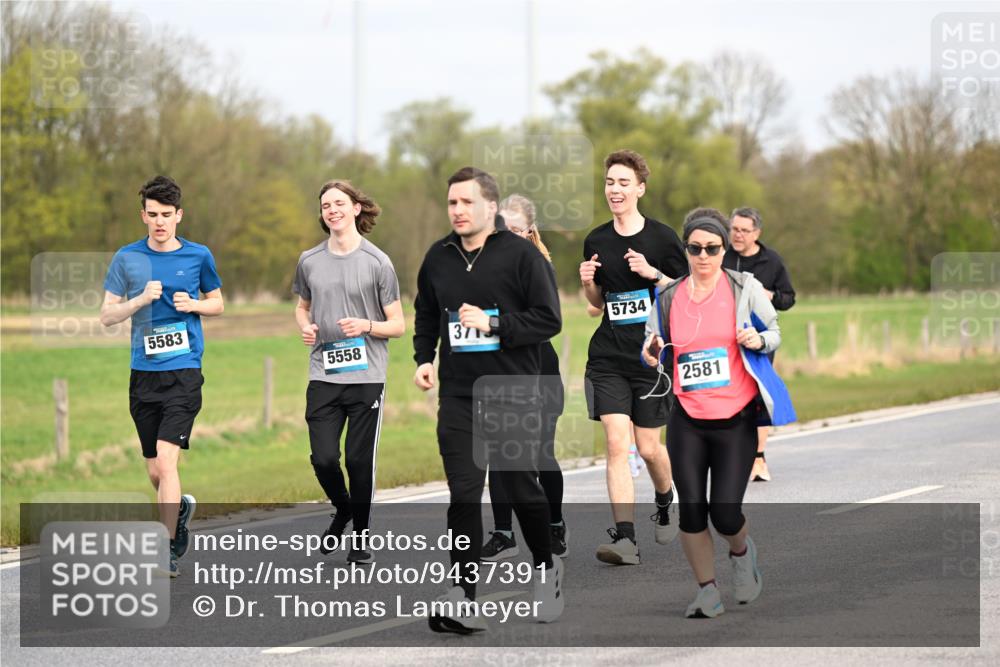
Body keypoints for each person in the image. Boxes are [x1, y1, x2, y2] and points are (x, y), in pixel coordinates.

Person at [413, 167, 564, 633]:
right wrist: (424, 358)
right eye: (452, 203)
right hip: (459, 395)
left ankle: (546, 567)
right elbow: (425, 312)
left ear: (490, 207)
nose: (457, 211)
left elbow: (548, 319)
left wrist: (495, 325)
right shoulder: (438, 256)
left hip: (514, 390)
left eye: (466, 202)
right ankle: (464, 593)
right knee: (462, 493)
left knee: (521, 489)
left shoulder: (521, 256)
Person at [641, 207, 795, 618]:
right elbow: (651, 344)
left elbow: (774, 330)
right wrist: (650, 353)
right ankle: (707, 591)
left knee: (725, 514)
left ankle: (742, 553)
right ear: (686, 250)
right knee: (691, 511)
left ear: (724, 249)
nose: (703, 256)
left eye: (712, 248)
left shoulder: (745, 287)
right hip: (687, 417)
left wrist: (757, 339)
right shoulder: (669, 295)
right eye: (695, 248)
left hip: (736, 418)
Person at [100, 175, 223, 576]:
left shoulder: (198, 255)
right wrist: (139, 299)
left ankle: (166, 549)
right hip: (143, 375)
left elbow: (218, 303)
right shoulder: (126, 258)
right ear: (143, 216)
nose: (159, 222)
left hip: (184, 372)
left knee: (168, 464)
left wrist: (195, 306)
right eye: (152, 215)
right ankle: (180, 511)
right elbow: (106, 316)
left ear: (179, 215)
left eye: (166, 215)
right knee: (155, 469)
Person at [580, 149, 687, 565]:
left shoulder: (661, 238)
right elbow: (599, 301)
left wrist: (653, 274)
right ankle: (625, 539)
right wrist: (587, 284)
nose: (615, 189)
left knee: (649, 448)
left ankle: (665, 497)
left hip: (651, 359)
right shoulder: (597, 239)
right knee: (615, 444)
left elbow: (685, 293)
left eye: (624, 183)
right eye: (610, 182)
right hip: (607, 355)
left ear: (640, 188)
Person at [293, 180, 404, 564]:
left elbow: (398, 325)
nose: (332, 210)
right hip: (323, 373)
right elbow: (302, 306)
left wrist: (367, 326)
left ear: (356, 208)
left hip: (366, 376)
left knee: (358, 461)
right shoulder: (309, 260)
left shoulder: (378, 262)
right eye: (326, 205)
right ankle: (343, 509)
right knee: (323, 458)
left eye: (339, 203)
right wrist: (304, 325)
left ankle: (360, 535)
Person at [480, 194, 567, 561]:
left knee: (539, 454)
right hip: (496, 371)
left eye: (515, 230)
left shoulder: (539, 268)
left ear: (529, 232)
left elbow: (547, 322)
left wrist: (501, 324)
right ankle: (503, 534)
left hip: (538, 370)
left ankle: (554, 525)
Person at [723, 207, 796, 482]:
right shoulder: (722, 256)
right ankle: (729, 454)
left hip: (759, 338)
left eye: (744, 230)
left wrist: (770, 295)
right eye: (734, 229)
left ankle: (758, 457)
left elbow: (789, 298)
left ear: (757, 233)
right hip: (725, 335)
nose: (737, 235)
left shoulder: (771, 261)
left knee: (757, 396)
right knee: (728, 394)